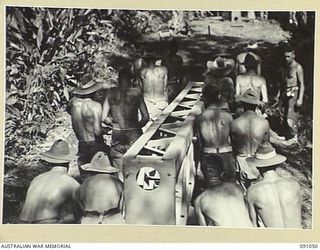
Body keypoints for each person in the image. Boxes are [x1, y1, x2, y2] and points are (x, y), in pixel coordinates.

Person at [102, 67, 149, 182]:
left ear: (119, 79)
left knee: (119, 172)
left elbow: (103, 118)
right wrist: (136, 126)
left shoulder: (111, 92)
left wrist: (113, 123)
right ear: (131, 80)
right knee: (136, 170)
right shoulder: (136, 92)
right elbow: (146, 117)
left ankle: (122, 194)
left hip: (117, 135)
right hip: (134, 134)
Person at [18, 140, 80, 224]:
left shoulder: (37, 178)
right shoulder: (70, 182)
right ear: (69, 162)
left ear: (50, 161)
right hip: (45, 223)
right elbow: (80, 210)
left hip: (22, 223)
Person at [246, 142, 302, 228]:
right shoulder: (294, 185)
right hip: (298, 236)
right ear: (277, 164)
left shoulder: (253, 191)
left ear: (257, 166)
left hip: (275, 238)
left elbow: (254, 225)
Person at [196, 85, 236, 187]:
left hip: (208, 153)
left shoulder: (200, 118)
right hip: (226, 152)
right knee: (230, 187)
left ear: (204, 98)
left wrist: (199, 163)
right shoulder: (228, 116)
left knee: (213, 188)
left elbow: (200, 143)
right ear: (219, 96)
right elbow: (234, 139)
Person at [67, 78, 111, 170]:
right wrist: (107, 130)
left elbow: (69, 111)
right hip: (95, 144)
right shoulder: (95, 106)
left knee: (84, 174)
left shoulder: (73, 103)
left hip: (82, 144)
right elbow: (97, 131)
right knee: (101, 174)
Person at [231, 89, 270, 191]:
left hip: (241, 160)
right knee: (259, 192)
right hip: (258, 160)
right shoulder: (264, 123)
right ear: (256, 105)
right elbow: (266, 144)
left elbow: (233, 144)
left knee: (244, 193)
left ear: (242, 104)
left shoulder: (235, 123)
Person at [194, 161, 253, 227]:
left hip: (225, 235)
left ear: (202, 175)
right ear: (222, 173)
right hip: (249, 233)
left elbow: (203, 230)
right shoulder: (237, 188)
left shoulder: (200, 200)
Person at [76, 152, 125, 224]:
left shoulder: (84, 184)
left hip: (90, 220)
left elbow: (79, 204)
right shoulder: (117, 183)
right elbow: (122, 206)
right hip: (113, 219)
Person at [276, 47, 305, 143]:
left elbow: (302, 84)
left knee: (290, 115)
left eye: (288, 56)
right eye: (285, 57)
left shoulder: (298, 67)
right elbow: (282, 81)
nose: (286, 59)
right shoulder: (285, 66)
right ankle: (286, 134)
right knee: (282, 113)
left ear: (293, 55)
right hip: (285, 91)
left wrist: (300, 98)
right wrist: (279, 93)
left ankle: (294, 137)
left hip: (294, 91)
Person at [140, 53, 169, 122]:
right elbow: (165, 87)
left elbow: (141, 89)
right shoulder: (163, 70)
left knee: (147, 127)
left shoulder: (142, 71)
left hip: (147, 102)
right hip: (161, 101)